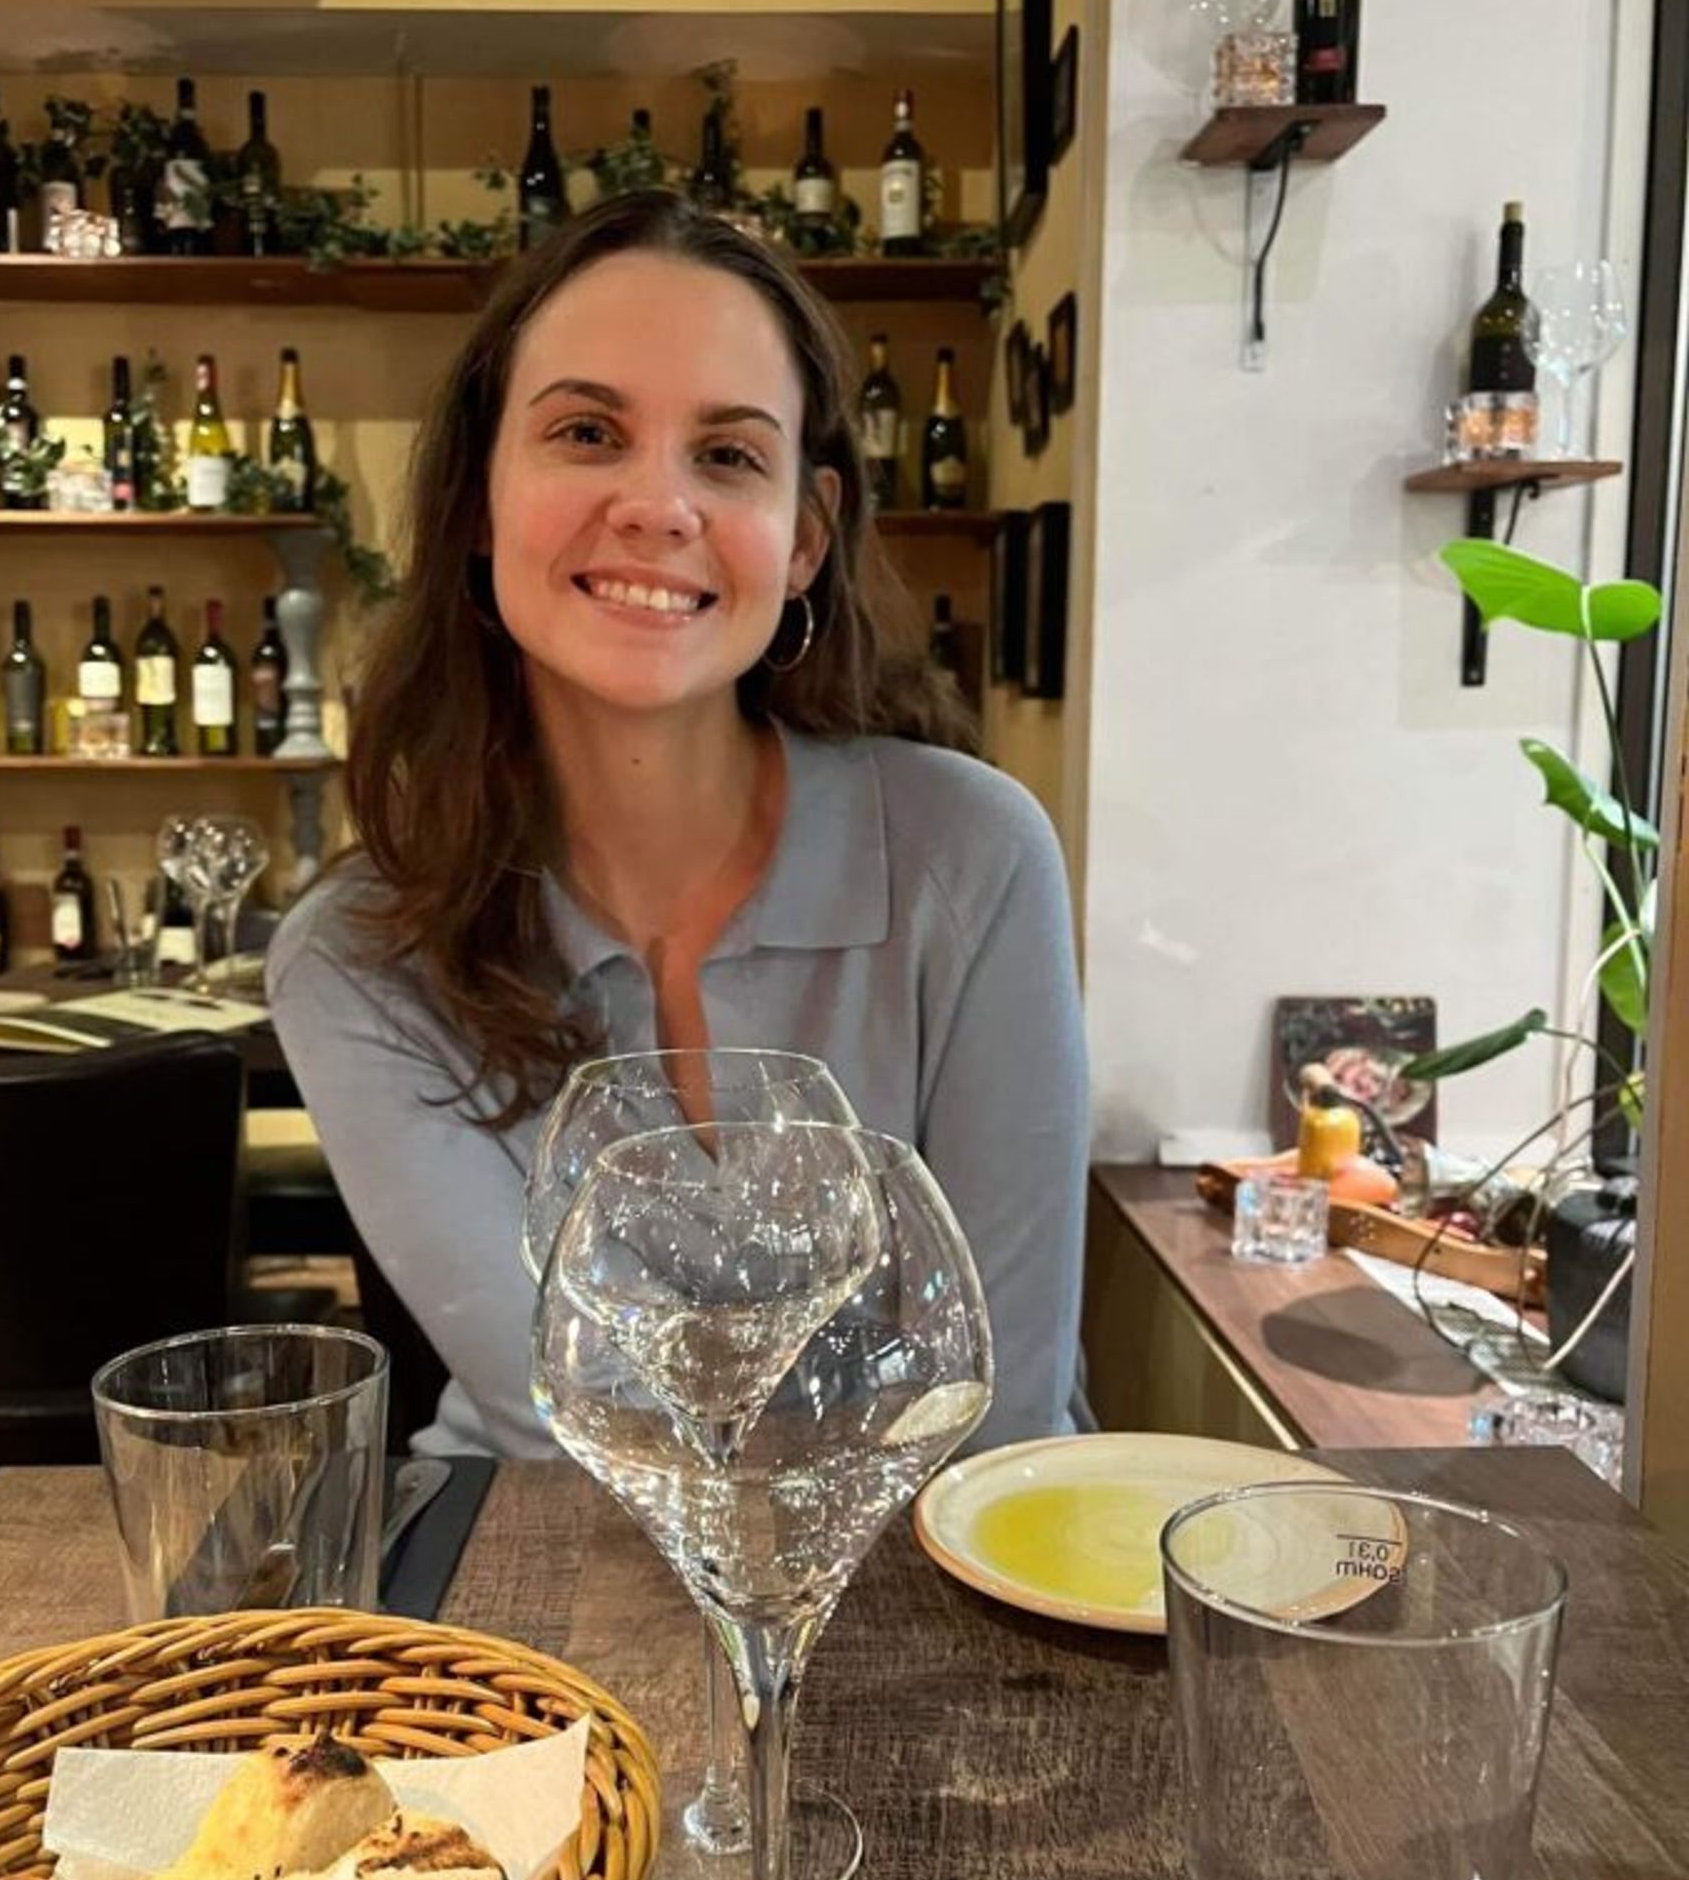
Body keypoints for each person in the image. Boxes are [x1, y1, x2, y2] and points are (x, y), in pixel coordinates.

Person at [269, 188, 1089, 1456]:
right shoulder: (357, 955)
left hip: (937, 1576)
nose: (659, 505)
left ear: (804, 537)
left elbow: (1000, 1410)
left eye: (728, 454)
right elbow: (570, 1426)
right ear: (481, 500)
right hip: (542, 1565)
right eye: (589, 431)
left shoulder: (970, 859)